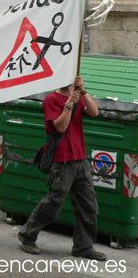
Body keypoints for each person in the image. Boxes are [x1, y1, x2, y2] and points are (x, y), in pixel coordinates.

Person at [18, 76, 106, 261]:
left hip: (80, 160)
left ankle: (83, 247)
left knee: (88, 205)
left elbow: (94, 112)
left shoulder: (77, 95)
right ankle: (27, 235)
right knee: (54, 202)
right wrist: (69, 104)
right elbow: (60, 127)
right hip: (62, 160)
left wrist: (83, 91)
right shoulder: (51, 100)